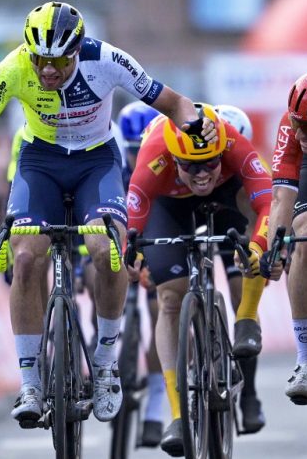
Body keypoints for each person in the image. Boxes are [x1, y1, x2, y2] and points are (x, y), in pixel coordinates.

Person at [0, 0, 216, 427]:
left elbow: (174, 102)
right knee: (24, 257)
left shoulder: (106, 60)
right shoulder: (13, 68)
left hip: (96, 162)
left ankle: (105, 362)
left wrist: (195, 123)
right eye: (40, 59)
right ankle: (31, 382)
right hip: (40, 162)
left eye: (58, 61)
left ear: (77, 50)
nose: (47, 70)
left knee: (105, 248)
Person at [125, 102, 270, 456]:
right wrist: (133, 254)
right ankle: (178, 415)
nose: (202, 172)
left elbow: (269, 201)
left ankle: (246, 320)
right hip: (168, 204)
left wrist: (259, 246)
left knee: (245, 263)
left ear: (221, 150)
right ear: (174, 158)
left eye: (210, 163)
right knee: (169, 300)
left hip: (227, 196)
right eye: (191, 165)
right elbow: (134, 215)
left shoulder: (232, 142)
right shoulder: (154, 155)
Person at [260, 68, 307, 406]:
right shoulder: (294, 130)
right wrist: (275, 248)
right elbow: (281, 198)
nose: (301, 133)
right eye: (296, 122)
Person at [212, 103, 267, 435]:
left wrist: (258, 254)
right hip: (194, 214)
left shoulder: (249, 165)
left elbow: (263, 217)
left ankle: (249, 395)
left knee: (239, 294)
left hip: (234, 225)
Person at [115, 100, 166, 446]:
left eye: (141, 150)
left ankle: (157, 404)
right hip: (123, 242)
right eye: (130, 151)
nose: (136, 158)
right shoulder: (114, 165)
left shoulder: (163, 162)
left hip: (155, 237)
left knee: (160, 308)